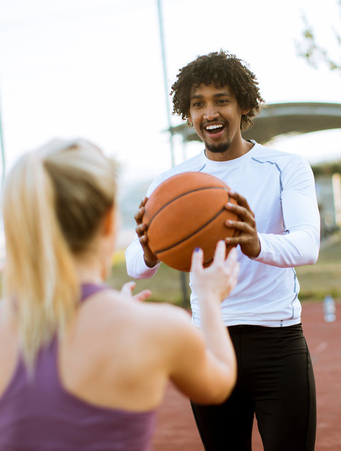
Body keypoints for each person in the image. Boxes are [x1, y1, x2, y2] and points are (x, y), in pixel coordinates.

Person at [0, 139, 239, 451]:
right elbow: (219, 383)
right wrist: (208, 297)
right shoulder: (159, 328)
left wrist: (117, 312)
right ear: (110, 220)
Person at [125, 50, 320, 451]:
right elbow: (134, 265)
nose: (209, 112)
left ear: (244, 105)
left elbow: (308, 244)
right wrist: (148, 250)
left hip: (277, 341)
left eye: (221, 100)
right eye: (198, 104)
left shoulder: (286, 166)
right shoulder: (172, 183)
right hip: (209, 341)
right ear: (188, 113)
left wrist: (255, 242)